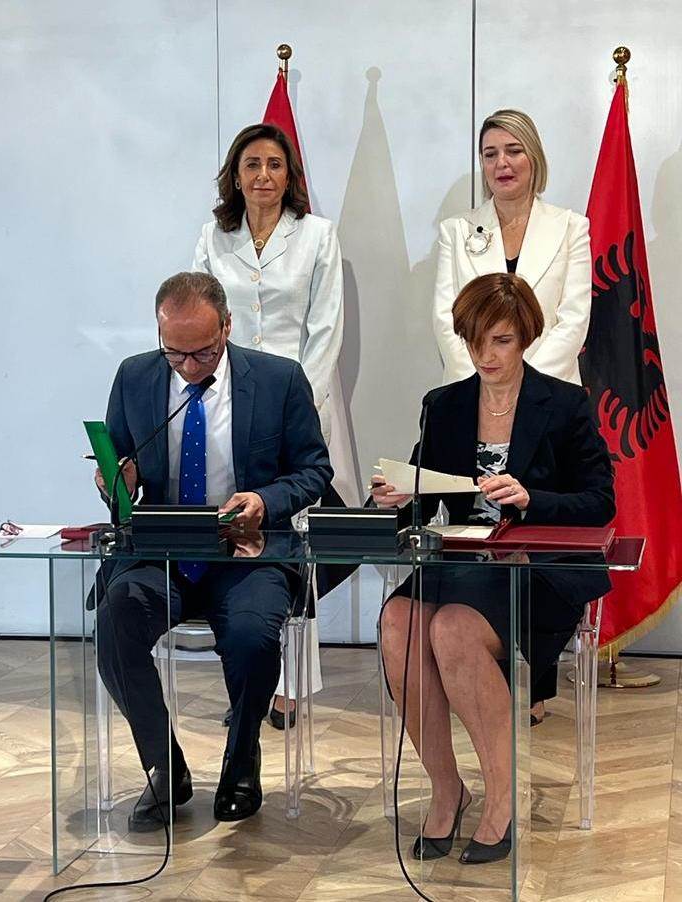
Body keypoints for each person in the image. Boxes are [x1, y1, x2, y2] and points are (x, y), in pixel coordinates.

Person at [374, 273, 614, 864]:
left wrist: (532, 498)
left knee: (452, 628)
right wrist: (398, 496)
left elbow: (600, 501)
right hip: (460, 563)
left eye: (501, 341)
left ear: (525, 337)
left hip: (534, 569)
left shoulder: (564, 405)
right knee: (398, 623)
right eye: (475, 340)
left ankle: (502, 798)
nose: (486, 355)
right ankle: (447, 789)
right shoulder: (444, 405)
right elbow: (425, 492)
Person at [95, 271, 332, 829]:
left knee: (252, 636)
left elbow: (315, 470)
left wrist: (266, 500)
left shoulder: (278, 379)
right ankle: (164, 765)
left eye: (201, 353)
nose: (188, 367)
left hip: (249, 548)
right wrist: (116, 481)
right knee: (115, 620)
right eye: (174, 353)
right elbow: (117, 464)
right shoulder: (134, 377)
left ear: (226, 326)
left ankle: (242, 756)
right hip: (164, 551)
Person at [432, 108, 592, 721]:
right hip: (478, 395)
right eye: (490, 152)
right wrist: (486, 376)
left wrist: (525, 380)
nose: (502, 163)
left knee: (536, 528)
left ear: (534, 157)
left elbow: (573, 317)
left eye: (514, 151)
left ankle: (538, 681)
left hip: (548, 404)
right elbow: (448, 320)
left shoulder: (570, 227)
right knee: (477, 527)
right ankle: (480, 670)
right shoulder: (458, 231)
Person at [193, 122, 344, 728]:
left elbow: (325, 327)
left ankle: (291, 689)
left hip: (293, 405)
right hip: (226, 406)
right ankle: (245, 684)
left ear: (290, 175)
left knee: (293, 544)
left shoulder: (318, 236)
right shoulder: (213, 237)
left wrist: (298, 406)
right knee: (237, 539)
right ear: (236, 175)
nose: (263, 176)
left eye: (274, 165)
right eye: (252, 164)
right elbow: (198, 314)